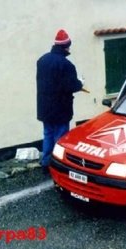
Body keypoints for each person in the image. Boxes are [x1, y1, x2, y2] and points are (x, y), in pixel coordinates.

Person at [36, 29, 88, 174]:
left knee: (47, 134)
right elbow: (71, 85)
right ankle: (58, 164)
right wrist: (80, 83)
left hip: (44, 108)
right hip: (60, 108)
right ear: (66, 47)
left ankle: (46, 162)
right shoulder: (67, 65)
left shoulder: (42, 60)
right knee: (60, 137)